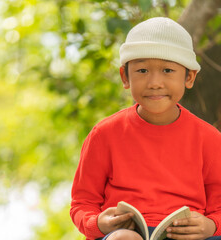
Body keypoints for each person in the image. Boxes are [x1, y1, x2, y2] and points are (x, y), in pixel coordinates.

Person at [70, 17, 221, 240]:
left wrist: (210, 226)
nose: (154, 83)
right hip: (124, 234)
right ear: (125, 76)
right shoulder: (104, 134)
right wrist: (98, 223)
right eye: (142, 71)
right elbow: (83, 203)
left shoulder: (209, 138)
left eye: (168, 70)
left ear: (189, 77)